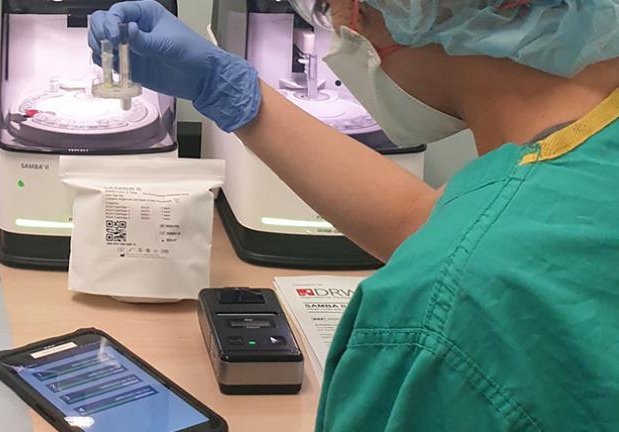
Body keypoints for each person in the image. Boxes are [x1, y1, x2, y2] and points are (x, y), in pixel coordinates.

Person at [90, 0, 619, 430]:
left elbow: (463, 268)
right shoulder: (579, 164)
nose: (347, 27)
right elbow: (443, 225)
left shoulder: (441, 319)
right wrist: (225, 88)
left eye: (333, 9)